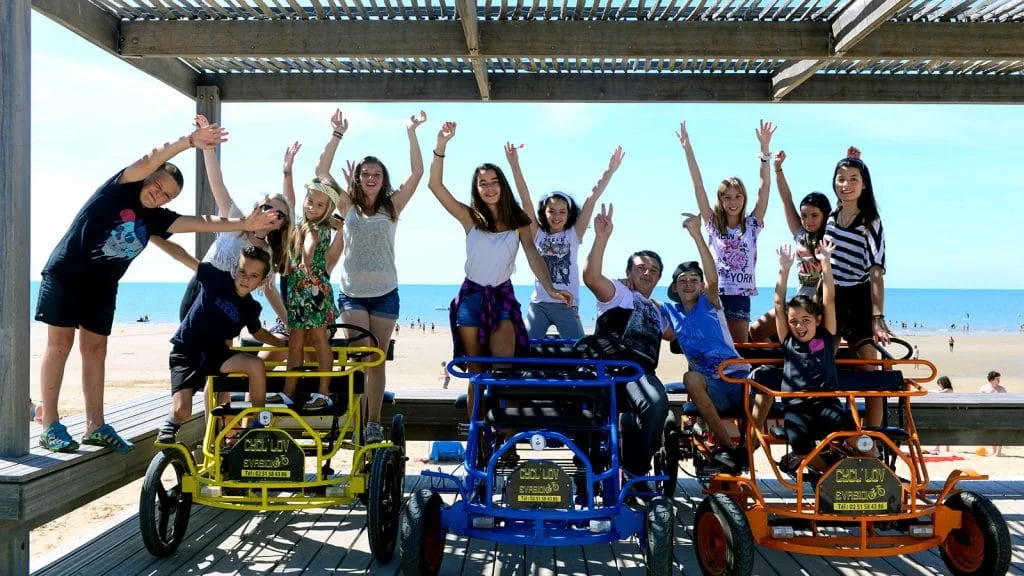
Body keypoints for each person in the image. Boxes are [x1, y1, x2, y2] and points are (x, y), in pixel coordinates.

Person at [35, 121, 280, 453]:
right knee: (60, 345)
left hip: (103, 286)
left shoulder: (155, 218)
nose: (158, 195)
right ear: (148, 177)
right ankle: (50, 422)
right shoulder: (121, 186)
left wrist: (245, 224)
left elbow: (200, 222)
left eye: (167, 195)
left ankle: (96, 424)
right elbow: (154, 156)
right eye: (158, 186)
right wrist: (189, 142)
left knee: (95, 351)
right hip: (68, 274)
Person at [427, 121, 571, 422]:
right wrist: (441, 146)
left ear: (501, 185)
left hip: (502, 297)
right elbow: (435, 187)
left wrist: (551, 288)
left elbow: (532, 253)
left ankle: (506, 439)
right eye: (483, 183)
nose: (489, 188)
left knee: (504, 371)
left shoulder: (519, 220)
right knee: (477, 375)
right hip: (471, 297)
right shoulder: (469, 217)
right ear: (477, 189)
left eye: (494, 181)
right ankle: (478, 444)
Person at [315, 109, 427, 443]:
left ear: (383, 178)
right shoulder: (347, 204)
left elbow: (418, 172)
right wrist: (337, 134)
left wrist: (411, 131)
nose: (370, 177)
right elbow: (321, 170)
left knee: (376, 360)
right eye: (365, 173)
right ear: (359, 178)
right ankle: (355, 422)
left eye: (376, 173)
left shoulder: (393, 207)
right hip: (351, 293)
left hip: (385, 294)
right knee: (360, 357)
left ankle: (373, 423)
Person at [662, 214, 772, 473]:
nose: (688, 283)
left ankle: (745, 448)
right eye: (682, 281)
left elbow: (713, 276)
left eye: (693, 280)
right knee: (691, 378)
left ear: (701, 286)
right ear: (675, 289)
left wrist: (697, 235)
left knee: (767, 379)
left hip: (738, 381)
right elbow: (650, 314)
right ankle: (727, 448)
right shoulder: (671, 313)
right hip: (712, 388)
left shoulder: (710, 303)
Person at [164, 115, 291, 325]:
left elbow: (269, 290)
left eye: (279, 214)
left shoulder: (266, 253)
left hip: (228, 302)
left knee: (220, 355)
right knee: (190, 349)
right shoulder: (236, 222)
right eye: (267, 207)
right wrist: (207, 147)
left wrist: (288, 323)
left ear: (281, 224)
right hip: (201, 289)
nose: (270, 214)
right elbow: (217, 183)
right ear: (257, 209)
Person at [157, 246, 287, 443]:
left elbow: (257, 332)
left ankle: (257, 421)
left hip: (216, 356)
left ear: (261, 281)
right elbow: (183, 257)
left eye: (253, 276)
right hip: (187, 351)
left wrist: (281, 344)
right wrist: (154, 235)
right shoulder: (216, 279)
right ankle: (170, 424)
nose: (246, 279)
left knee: (256, 365)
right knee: (182, 411)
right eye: (242, 272)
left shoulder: (251, 307)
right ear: (235, 270)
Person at [581, 203, 672, 479]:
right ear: (629, 274)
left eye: (654, 270)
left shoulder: (658, 309)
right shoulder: (619, 293)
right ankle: (595, 469)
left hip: (642, 374)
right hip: (609, 367)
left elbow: (677, 335)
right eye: (641, 268)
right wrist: (601, 238)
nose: (647, 273)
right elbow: (591, 277)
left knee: (657, 405)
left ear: (659, 277)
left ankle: (635, 471)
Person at [505, 142, 624, 340]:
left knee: (578, 350)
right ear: (544, 212)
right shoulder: (538, 234)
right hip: (540, 305)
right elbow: (525, 199)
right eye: (551, 211)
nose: (557, 216)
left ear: (569, 214)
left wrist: (609, 171)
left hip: (566, 304)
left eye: (562, 211)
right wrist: (514, 165)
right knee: (525, 349)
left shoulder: (573, 234)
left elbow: (591, 199)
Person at [677, 119, 777, 344]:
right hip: (715, 293)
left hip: (740, 296)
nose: (733, 202)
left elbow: (765, 187)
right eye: (727, 197)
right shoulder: (712, 225)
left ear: (744, 199)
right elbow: (698, 185)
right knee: (715, 347)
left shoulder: (752, 226)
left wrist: (764, 151)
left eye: (738, 196)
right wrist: (688, 149)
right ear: (720, 200)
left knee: (738, 350)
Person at [773, 239, 860, 475]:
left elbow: (829, 300)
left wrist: (826, 264)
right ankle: (827, 474)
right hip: (797, 408)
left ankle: (876, 469)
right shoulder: (788, 341)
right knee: (800, 444)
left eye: (805, 321)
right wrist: (785, 268)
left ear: (817, 321)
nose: (799, 326)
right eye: (794, 322)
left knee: (856, 435)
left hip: (826, 404)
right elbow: (779, 302)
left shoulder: (826, 336)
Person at [824, 146, 890, 428]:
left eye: (853, 179)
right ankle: (831, 432)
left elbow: (876, 273)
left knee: (870, 372)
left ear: (864, 185)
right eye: (841, 179)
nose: (846, 185)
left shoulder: (870, 222)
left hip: (860, 298)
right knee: (824, 366)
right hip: (831, 297)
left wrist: (877, 318)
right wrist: (854, 162)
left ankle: (874, 435)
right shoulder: (832, 214)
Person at [274, 178, 345, 410]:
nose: (312, 207)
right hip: (298, 294)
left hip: (314, 292)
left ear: (328, 209)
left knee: (319, 341)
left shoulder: (317, 228)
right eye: (310, 201)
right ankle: (288, 392)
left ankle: (323, 392)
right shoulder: (300, 225)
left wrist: (305, 261)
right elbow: (290, 200)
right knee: (296, 343)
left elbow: (310, 245)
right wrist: (288, 171)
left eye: (319, 205)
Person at [750, 149, 833, 342]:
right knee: (756, 330)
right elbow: (787, 199)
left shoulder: (830, 238)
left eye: (814, 216)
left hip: (821, 307)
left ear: (825, 215)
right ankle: (776, 363)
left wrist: (853, 162)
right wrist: (778, 169)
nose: (808, 220)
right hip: (798, 303)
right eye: (804, 216)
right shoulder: (801, 235)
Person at [979, 371, 1006, 456]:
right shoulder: (983, 389)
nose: (999, 380)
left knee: (999, 432)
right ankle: (994, 450)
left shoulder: (1002, 389)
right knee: (990, 432)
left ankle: (998, 452)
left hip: (999, 414)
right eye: (997, 379)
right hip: (988, 414)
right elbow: (978, 401)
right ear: (991, 380)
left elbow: (1006, 402)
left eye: (999, 379)